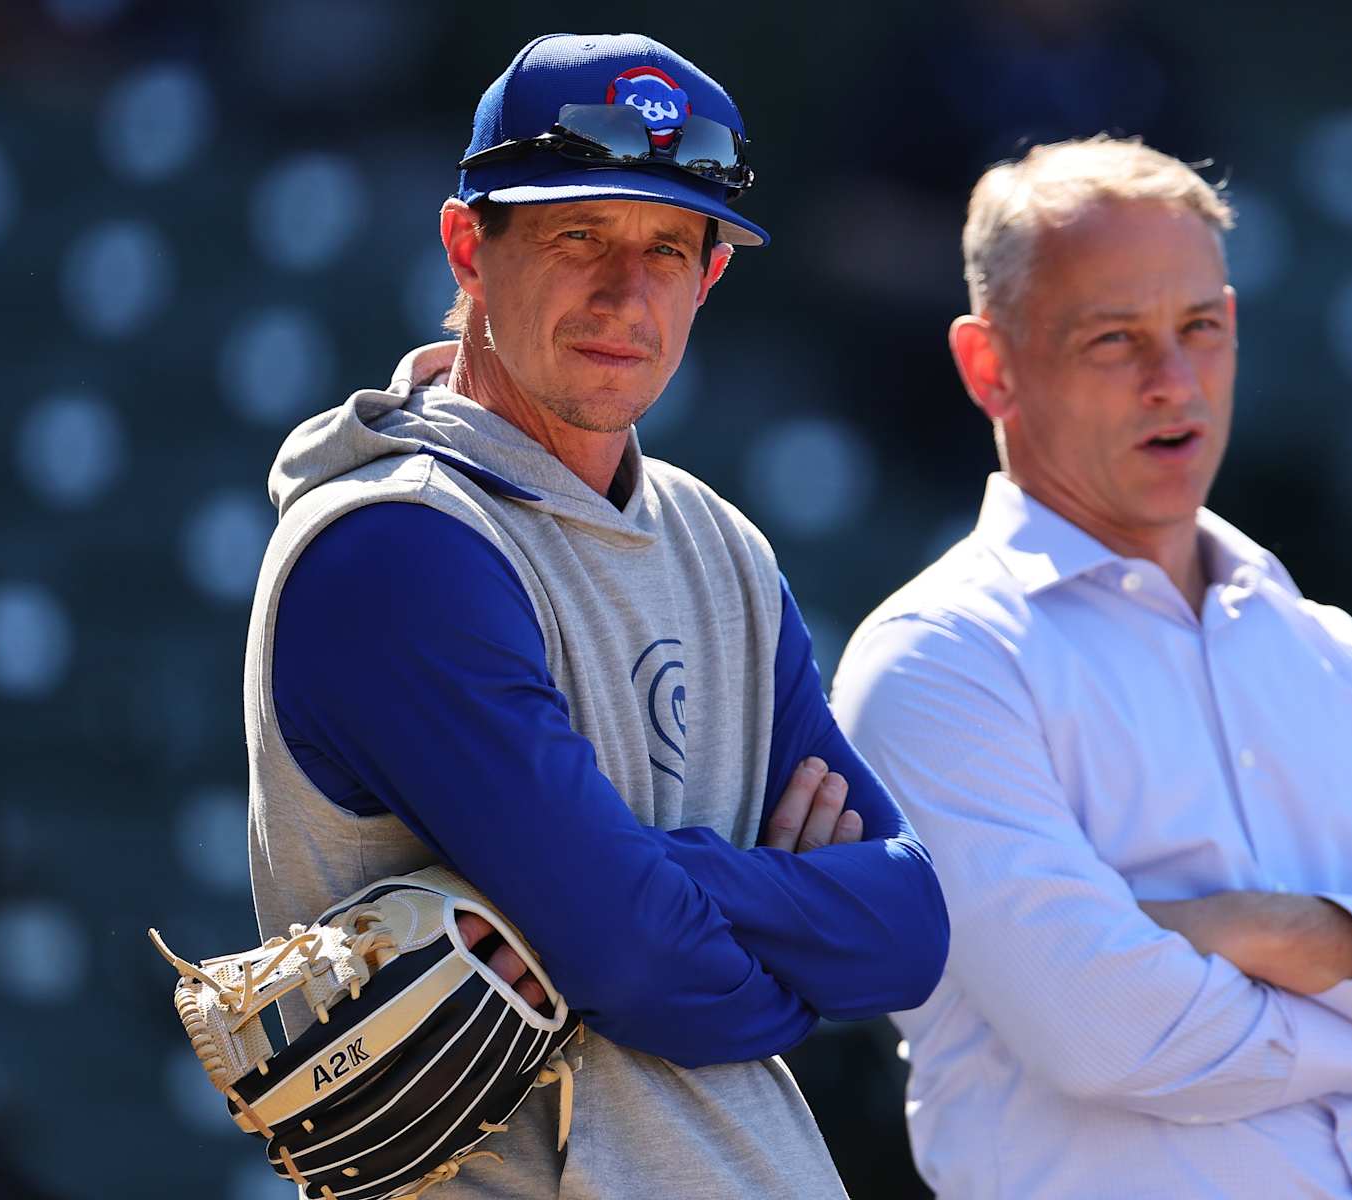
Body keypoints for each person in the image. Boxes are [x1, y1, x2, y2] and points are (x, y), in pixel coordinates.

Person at [244, 33, 947, 1200]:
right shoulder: (396, 544)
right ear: (469, 246)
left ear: (711, 274)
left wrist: (649, 883)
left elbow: (910, 928)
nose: (626, 293)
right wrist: (771, 933)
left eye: (668, 247)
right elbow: (636, 956)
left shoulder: (721, 546)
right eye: (579, 235)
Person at [830, 135, 1352, 1199]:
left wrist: (1263, 931)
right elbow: (1103, 1035)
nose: (1173, 381)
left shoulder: (1335, 657)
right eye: (1113, 340)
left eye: (1202, 329)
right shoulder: (940, 664)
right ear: (988, 366)